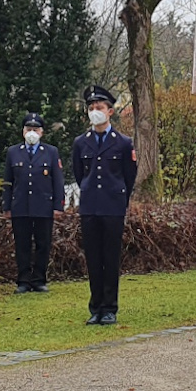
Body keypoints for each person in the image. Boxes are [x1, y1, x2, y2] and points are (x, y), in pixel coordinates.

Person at [71, 84, 136, 325]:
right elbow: (80, 174)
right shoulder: (81, 142)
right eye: (91, 108)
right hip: (90, 207)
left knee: (110, 257)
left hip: (112, 207)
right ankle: (95, 306)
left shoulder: (123, 143)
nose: (94, 111)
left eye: (99, 107)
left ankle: (110, 307)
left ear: (110, 111)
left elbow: (129, 177)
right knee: (93, 259)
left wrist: (119, 200)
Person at [3, 112, 64, 294]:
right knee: (22, 244)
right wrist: (7, 206)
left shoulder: (51, 152)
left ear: (42, 132)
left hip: (43, 207)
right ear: (23, 131)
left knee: (43, 244)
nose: (32, 132)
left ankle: (39, 279)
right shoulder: (13, 152)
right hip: (20, 206)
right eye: (28, 129)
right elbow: (8, 182)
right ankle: (23, 280)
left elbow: (58, 181)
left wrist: (58, 206)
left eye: (35, 129)